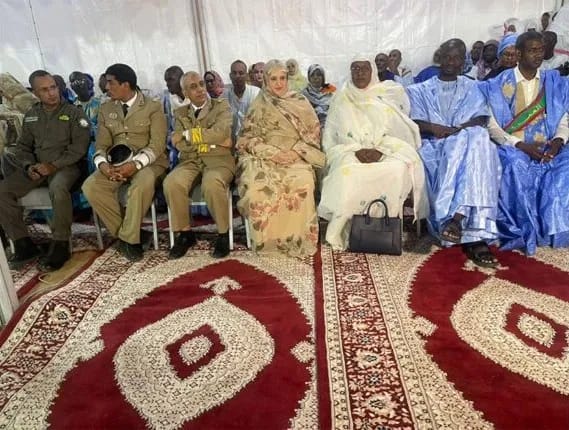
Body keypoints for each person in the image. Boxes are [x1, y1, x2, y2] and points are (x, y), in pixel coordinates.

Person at [407, 39, 502, 267]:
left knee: (477, 139)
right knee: (478, 146)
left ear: (463, 61)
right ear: (439, 58)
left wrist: (458, 131)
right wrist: (436, 128)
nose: (451, 62)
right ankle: (474, 234)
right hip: (435, 145)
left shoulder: (473, 87)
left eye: (457, 57)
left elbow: (480, 118)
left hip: (466, 141)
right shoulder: (418, 90)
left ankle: (457, 219)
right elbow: (414, 122)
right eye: (447, 57)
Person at [318, 56, 428, 251]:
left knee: (397, 169)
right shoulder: (341, 98)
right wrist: (356, 149)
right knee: (347, 173)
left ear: (373, 71)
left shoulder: (385, 94)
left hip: (384, 147)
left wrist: (379, 150)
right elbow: (332, 138)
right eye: (355, 68)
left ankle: (384, 227)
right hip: (349, 149)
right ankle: (345, 226)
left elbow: (400, 132)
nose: (360, 73)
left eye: (364, 68)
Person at [479, 31, 569, 255]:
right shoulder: (496, 85)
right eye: (532, 50)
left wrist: (558, 141)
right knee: (514, 164)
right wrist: (519, 145)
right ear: (518, 54)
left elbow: (564, 117)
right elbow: (492, 126)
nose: (538, 55)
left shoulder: (554, 82)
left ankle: (556, 230)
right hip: (513, 146)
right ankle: (522, 231)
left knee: (564, 166)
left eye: (541, 50)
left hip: (549, 144)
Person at [0, 70, 90, 270]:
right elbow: (23, 147)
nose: (51, 93)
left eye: (53, 87)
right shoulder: (32, 115)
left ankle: (60, 243)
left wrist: (52, 166)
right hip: (38, 167)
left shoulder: (74, 113)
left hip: (67, 167)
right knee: (3, 191)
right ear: (35, 92)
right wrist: (28, 165)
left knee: (58, 188)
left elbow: (78, 149)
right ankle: (23, 243)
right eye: (45, 90)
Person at [236, 59, 325, 257]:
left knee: (302, 182)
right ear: (266, 80)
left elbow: (313, 134)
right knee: (258, 189)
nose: (278, 83)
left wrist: (295, 152)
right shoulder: (259, 103)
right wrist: (272, 153)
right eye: (273, 79)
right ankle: (269, 243)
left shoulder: (300, 102)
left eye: (282, 78)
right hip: (265, 157)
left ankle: (297, 239)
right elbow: (246, 138)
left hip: (295, 155)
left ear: (288, 79)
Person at [82, 64, 168, 262]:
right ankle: (130, 236)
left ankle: (128, 240)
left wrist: (135, 165)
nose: (106, 87)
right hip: (116, 163)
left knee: (142, 183)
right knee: (91, 186)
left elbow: (157, 145)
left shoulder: (153, 107)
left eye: (110, 83)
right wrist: (103, 165)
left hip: (149, 163)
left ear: (125, 84)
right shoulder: (106, 109)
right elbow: (101, 144)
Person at [164, 72, 234, 259]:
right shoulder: (180, 113)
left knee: (212, 183)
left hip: (218, 160)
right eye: (193, 87)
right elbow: (179, 145)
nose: (201, 89)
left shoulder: (221, 106)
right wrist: (210, 141)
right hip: (191, 160)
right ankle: (185, 234)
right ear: (185, 92)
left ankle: (223, 234)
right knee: (172, 182)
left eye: (202, 84)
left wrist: (187, 134)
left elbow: (221, 133)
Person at [221, 60, 260, 144]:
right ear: (230, 76)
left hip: (253, 142)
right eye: (234, 73)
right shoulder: (224, 96)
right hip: (230, 143)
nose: (237, 76)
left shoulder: (256, 93)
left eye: (241, 73)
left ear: (246, 76)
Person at [69, 71, 101, 173]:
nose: (78, 84)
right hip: (75, 141)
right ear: (72, 87)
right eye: (74, 82)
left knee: (93, 152)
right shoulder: (70, 106)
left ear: (89, 83)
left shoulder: (100, 103)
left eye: (81, 81)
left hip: (94, 140)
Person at [163, 66, 189, 169]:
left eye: (171, 80)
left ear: (182, 79)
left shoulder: (197, 95)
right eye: (166, 81)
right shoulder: (168, 100)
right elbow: (168, 126)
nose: (167, 84)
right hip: (176, 142)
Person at [302, 64, 336, 128]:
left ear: (323, 77)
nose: (315, 77)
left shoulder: (331, 93)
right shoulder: (303, 95)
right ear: (309, 78)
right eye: (312, 75)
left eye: (318, 75)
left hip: (330, 128)